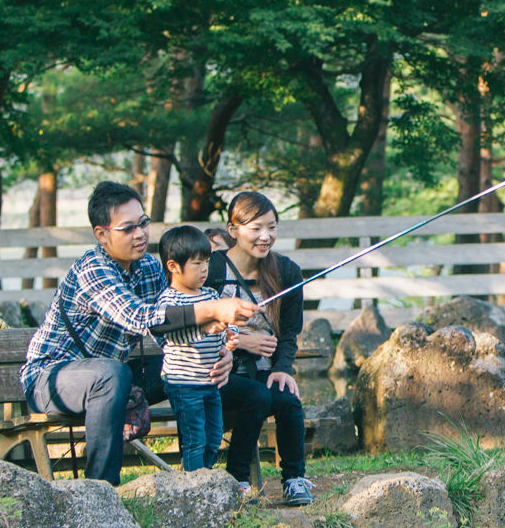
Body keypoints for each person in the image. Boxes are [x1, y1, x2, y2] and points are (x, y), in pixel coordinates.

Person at [20, 181, 255, 485]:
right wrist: (213, 309)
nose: (141, 233)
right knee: (111, 374)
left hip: (112, 375)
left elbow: (170, 325)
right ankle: (101, 493)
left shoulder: (148, 267)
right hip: (52, 378)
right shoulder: (92, 269)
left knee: (197, 366)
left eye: (143, 223)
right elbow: (142, 318)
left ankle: (196, 477)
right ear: (102, 234)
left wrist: (220, 348)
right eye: (128, 228)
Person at [210, 191, 313, 506]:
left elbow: (289, 332)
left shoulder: (287, 272)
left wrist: (283, 368)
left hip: (265, 369)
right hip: (219, 369)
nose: (265, 236)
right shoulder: (212, 268)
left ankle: (294, 479)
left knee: (286, 397)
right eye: (255, 228)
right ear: (233, 229)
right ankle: (238, 480)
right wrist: (240, 339)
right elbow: (196, 321)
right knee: (258, 396)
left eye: (272, 227)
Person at [155, 224, 230, 474]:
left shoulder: (210, 294)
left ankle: (205, 479)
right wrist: (207, 329)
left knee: (214, 436)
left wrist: (231, 335)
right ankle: (193, 487)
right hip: (183, 383)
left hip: (210, 382)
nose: (205, 269)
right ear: (174, 266)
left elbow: (227, 325)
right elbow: (174, 334)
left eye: (207, 261)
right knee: (194, 440)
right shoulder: (169, 301)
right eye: (197, 263)